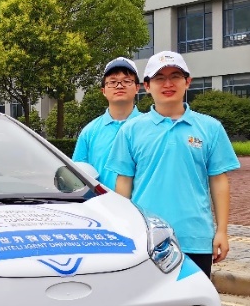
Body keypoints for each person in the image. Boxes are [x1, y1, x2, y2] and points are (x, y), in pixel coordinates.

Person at [108, 51, 240, 279]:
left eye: (175, 77)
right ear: (147, 86)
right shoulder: (131, 130)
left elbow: (219, 181)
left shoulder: (210, 128)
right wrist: (123, 229)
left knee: (193, 299)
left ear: (187, 82)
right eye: (159, 78)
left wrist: (221, 231)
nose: (167, 84)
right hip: (146, 238)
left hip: (196, 238)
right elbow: (124, 183)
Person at [72, 57, 142, 190]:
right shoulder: (89, 132)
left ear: (137, 88)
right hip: (101, 202)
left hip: (141, 203)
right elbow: (78, 178)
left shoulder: (151, 128)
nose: (119, 86)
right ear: (103, 91)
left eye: (127, 81)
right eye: (112, 82)